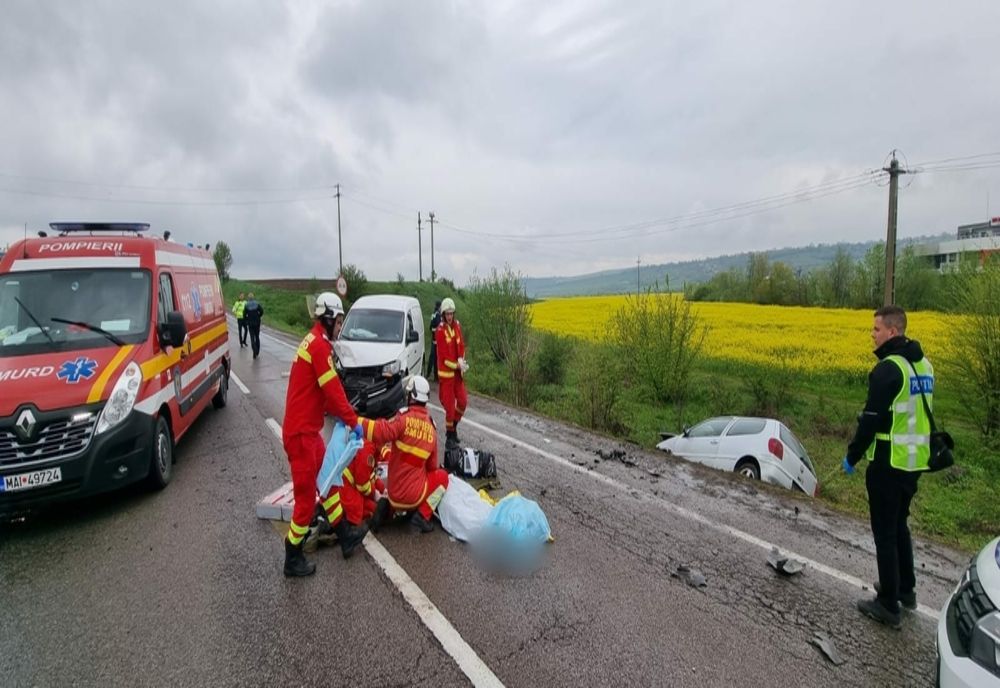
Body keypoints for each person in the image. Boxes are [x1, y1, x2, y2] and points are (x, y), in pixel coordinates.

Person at [843, 305, 932, 629]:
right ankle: (905, 590)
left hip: (888, 461)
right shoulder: (924, 365)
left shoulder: (887, 370)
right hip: (915, 462)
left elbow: (871, 420)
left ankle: (887, 605)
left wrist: (853, 456)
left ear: (893, 332)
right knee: (899, 526)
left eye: (877, 329)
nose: (872, 334)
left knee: (885, 532)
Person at [281, 292, 367, 576]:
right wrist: (353, 421)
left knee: (327, 480)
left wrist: (344, 416)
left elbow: (328, 397)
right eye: (339, 321)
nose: (340, 327)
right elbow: (332, 391)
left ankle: (344, 535)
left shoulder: (315, 342)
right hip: (301, 435)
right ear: (329, 319)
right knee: (306, 501)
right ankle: (292, 555)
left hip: (308, 431)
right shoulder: (318, 347)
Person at [358, 376, 449, 533]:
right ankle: (422, 516)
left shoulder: (402, 419)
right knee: (442, 477)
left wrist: (355, 421)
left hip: (393, 493)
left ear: (411, 397)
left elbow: (381, 431)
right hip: (414, 497)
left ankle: (389, 508)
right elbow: (432, 466)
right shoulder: (432, 430)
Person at [435, 297, 468, 445]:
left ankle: (453, 427)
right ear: (443, 314)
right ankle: (450, 436)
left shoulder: (457, 327)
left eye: (451, 313)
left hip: (457, 375)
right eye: (447, 314)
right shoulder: (440, 331)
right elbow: (444, 359)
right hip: (447, 376)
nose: (449, 316)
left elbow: (461, 346)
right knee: (449, 408)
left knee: (462, 402)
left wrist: (461, 359)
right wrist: (457, 365)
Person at [425, 300, 442, 380]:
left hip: (438, 341)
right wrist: (437, 331)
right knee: (432, 358)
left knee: (436, 359)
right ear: (439, 307)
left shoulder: (438, 315)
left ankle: (436, 376)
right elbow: (431, 327)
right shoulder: (436, 315)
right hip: (435, 340)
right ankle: (428, 374)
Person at [244, 292, 264, 359]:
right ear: (253, 297)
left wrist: (247, 320)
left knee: (252, 338)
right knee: (257, 337)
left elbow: (244, 315)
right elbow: (262, 311)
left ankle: (254, 350)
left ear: (248, 298)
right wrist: (258, 315)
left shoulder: (246, 305)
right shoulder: (257, 304)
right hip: (257, 322)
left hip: (250, 324)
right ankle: (257, 351)